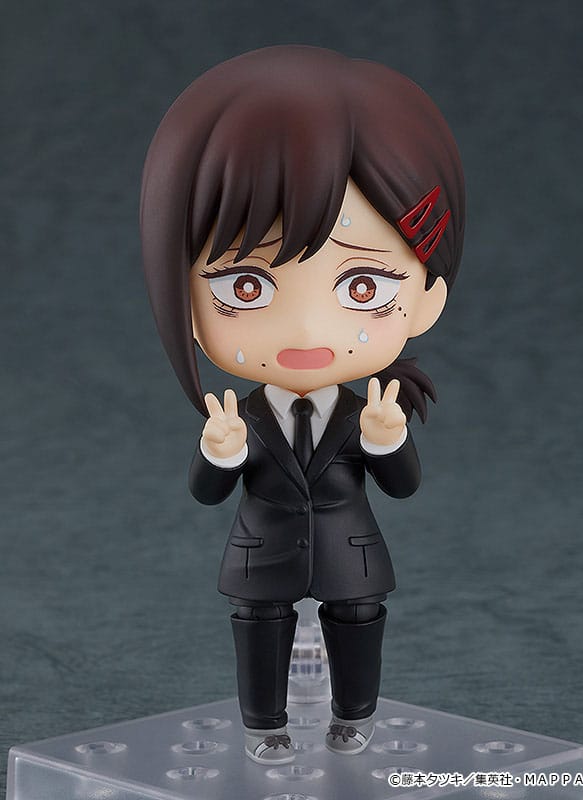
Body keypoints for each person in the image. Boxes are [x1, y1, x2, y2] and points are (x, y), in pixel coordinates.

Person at [140, 45, 465, 763]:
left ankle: (355, 716)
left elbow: (404, 485)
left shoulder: (365, 412)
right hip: (260, 560)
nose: (307, 331)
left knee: (360, 623)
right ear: (184, 300)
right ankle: (265, 725)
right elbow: (206, 493)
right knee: (259, 631)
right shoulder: (243, 419)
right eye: (247, 286)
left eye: (362, 286)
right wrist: (219, 453)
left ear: (426, 298)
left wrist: (386, 440)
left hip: (351, 557)